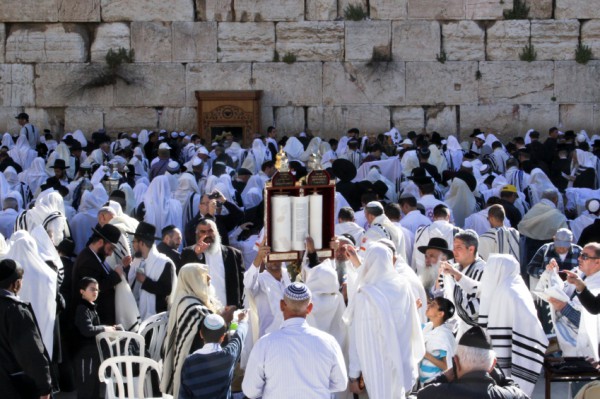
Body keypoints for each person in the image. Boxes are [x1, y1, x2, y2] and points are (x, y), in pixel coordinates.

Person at [344, 242, 425, 398]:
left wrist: (354, 373)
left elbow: (357, 336)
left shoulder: (365, 296)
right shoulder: (403, 286)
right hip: (401, 359)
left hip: (376, 364)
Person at [242, 283, 347, 399]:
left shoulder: (265, 344)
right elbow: (341, 384)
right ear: (310, 308)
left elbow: (250, 391)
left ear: (282, 305)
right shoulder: (329, 342)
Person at [161, 263, 236, 398]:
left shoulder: (185, 298)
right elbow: (213, 329)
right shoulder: (192, 307)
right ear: (193, 280)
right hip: (197, 370)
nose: (209, 279)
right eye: (203, 276)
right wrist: (225, 319)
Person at [478, 254, 548, 396]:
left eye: (490, 269)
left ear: (498, 269)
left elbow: (529, 323)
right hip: (512, 349)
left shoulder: (507, 291)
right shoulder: (515, 285)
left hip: (509, 351)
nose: (487, 274)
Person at [416, 326, 529, 399]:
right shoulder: (511, 396)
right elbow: (518, 392)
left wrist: (443, 378)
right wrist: (497, 375)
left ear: (456, 362)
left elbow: (417, 395)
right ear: (493, 364)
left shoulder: (435, 393)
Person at [0, 259, 53, 399]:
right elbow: (31, 353)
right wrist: (45, 387)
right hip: (15, 387)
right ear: (16, 283)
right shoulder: (16, 311)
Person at [71, 224, 131, 325]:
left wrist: (121, 266)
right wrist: (116, 275)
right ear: (100, 242)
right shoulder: (87, 261)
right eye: (110, 248)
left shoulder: (96, 257)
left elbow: (103, 276)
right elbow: (96, 288)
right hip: (92, 323)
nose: (110, 253)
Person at [179, 312, 248, 399]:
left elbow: (184, 395)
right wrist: (243, 320)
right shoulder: (228, 356)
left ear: (201, 334)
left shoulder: (189, 362)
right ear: (223, 337)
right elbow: (239, 336)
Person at [181, 219, 244, 308]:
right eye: (203, 232)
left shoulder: (233, 254)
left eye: (210, 231)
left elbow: (242, 283)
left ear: (217, 232)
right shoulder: (188, 253)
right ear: (197, 234)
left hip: (229, 310)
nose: (207, 235)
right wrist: (196, 254)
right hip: (202, 310)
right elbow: (184, 277)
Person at [72, 277, 119, 399]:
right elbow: (87, 330)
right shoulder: (82, 308)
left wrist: (109, 329)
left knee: (94, 388)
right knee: (86, 389)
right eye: (92, 289)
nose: (95, 292)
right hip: (84, 356)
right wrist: (104, 329)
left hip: (93, 355)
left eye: (97, 290)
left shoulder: (91, 307)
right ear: (82, 291)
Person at [440, 230, 485, 339]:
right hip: (461, 330)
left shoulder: (483, 269)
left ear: (471, 249)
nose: (454, 252)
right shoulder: (454, 269)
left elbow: (479, 300)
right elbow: (448, 297)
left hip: (481, 333)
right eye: (454, 247)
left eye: (458, 248)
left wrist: (456, 274)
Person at [128, 222, 176, 321]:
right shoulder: (138, 261)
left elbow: (166, 289)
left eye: (135, 241)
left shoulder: (164, 263)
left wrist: (145, 281)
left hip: (158, 320)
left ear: (142, 243)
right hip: (139, 317)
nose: (133, 245)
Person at [419, 297, 456, 385]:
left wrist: (425, 354)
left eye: (433, 305)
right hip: (423, 381)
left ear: (440, 314)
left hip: (435, 383)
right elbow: (413, 328)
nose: (428, 306)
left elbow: (446, 366)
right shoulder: (428, 327)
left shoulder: (444, 336)